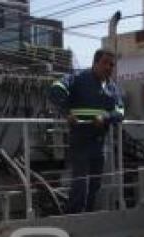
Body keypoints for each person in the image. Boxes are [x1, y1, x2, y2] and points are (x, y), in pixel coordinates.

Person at [49, 48, 124, 214]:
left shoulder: (113, 88)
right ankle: (74, 216)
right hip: (80, 139)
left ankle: (88, 214)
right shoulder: (79, 78)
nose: (109, 67)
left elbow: (120, 112)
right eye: (105, 63)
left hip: (99, 142)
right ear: (95, 63)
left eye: (112, 64)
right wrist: (66, 112)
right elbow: (55, 89)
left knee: (95, 183)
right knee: (81, 182)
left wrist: (105, 118)